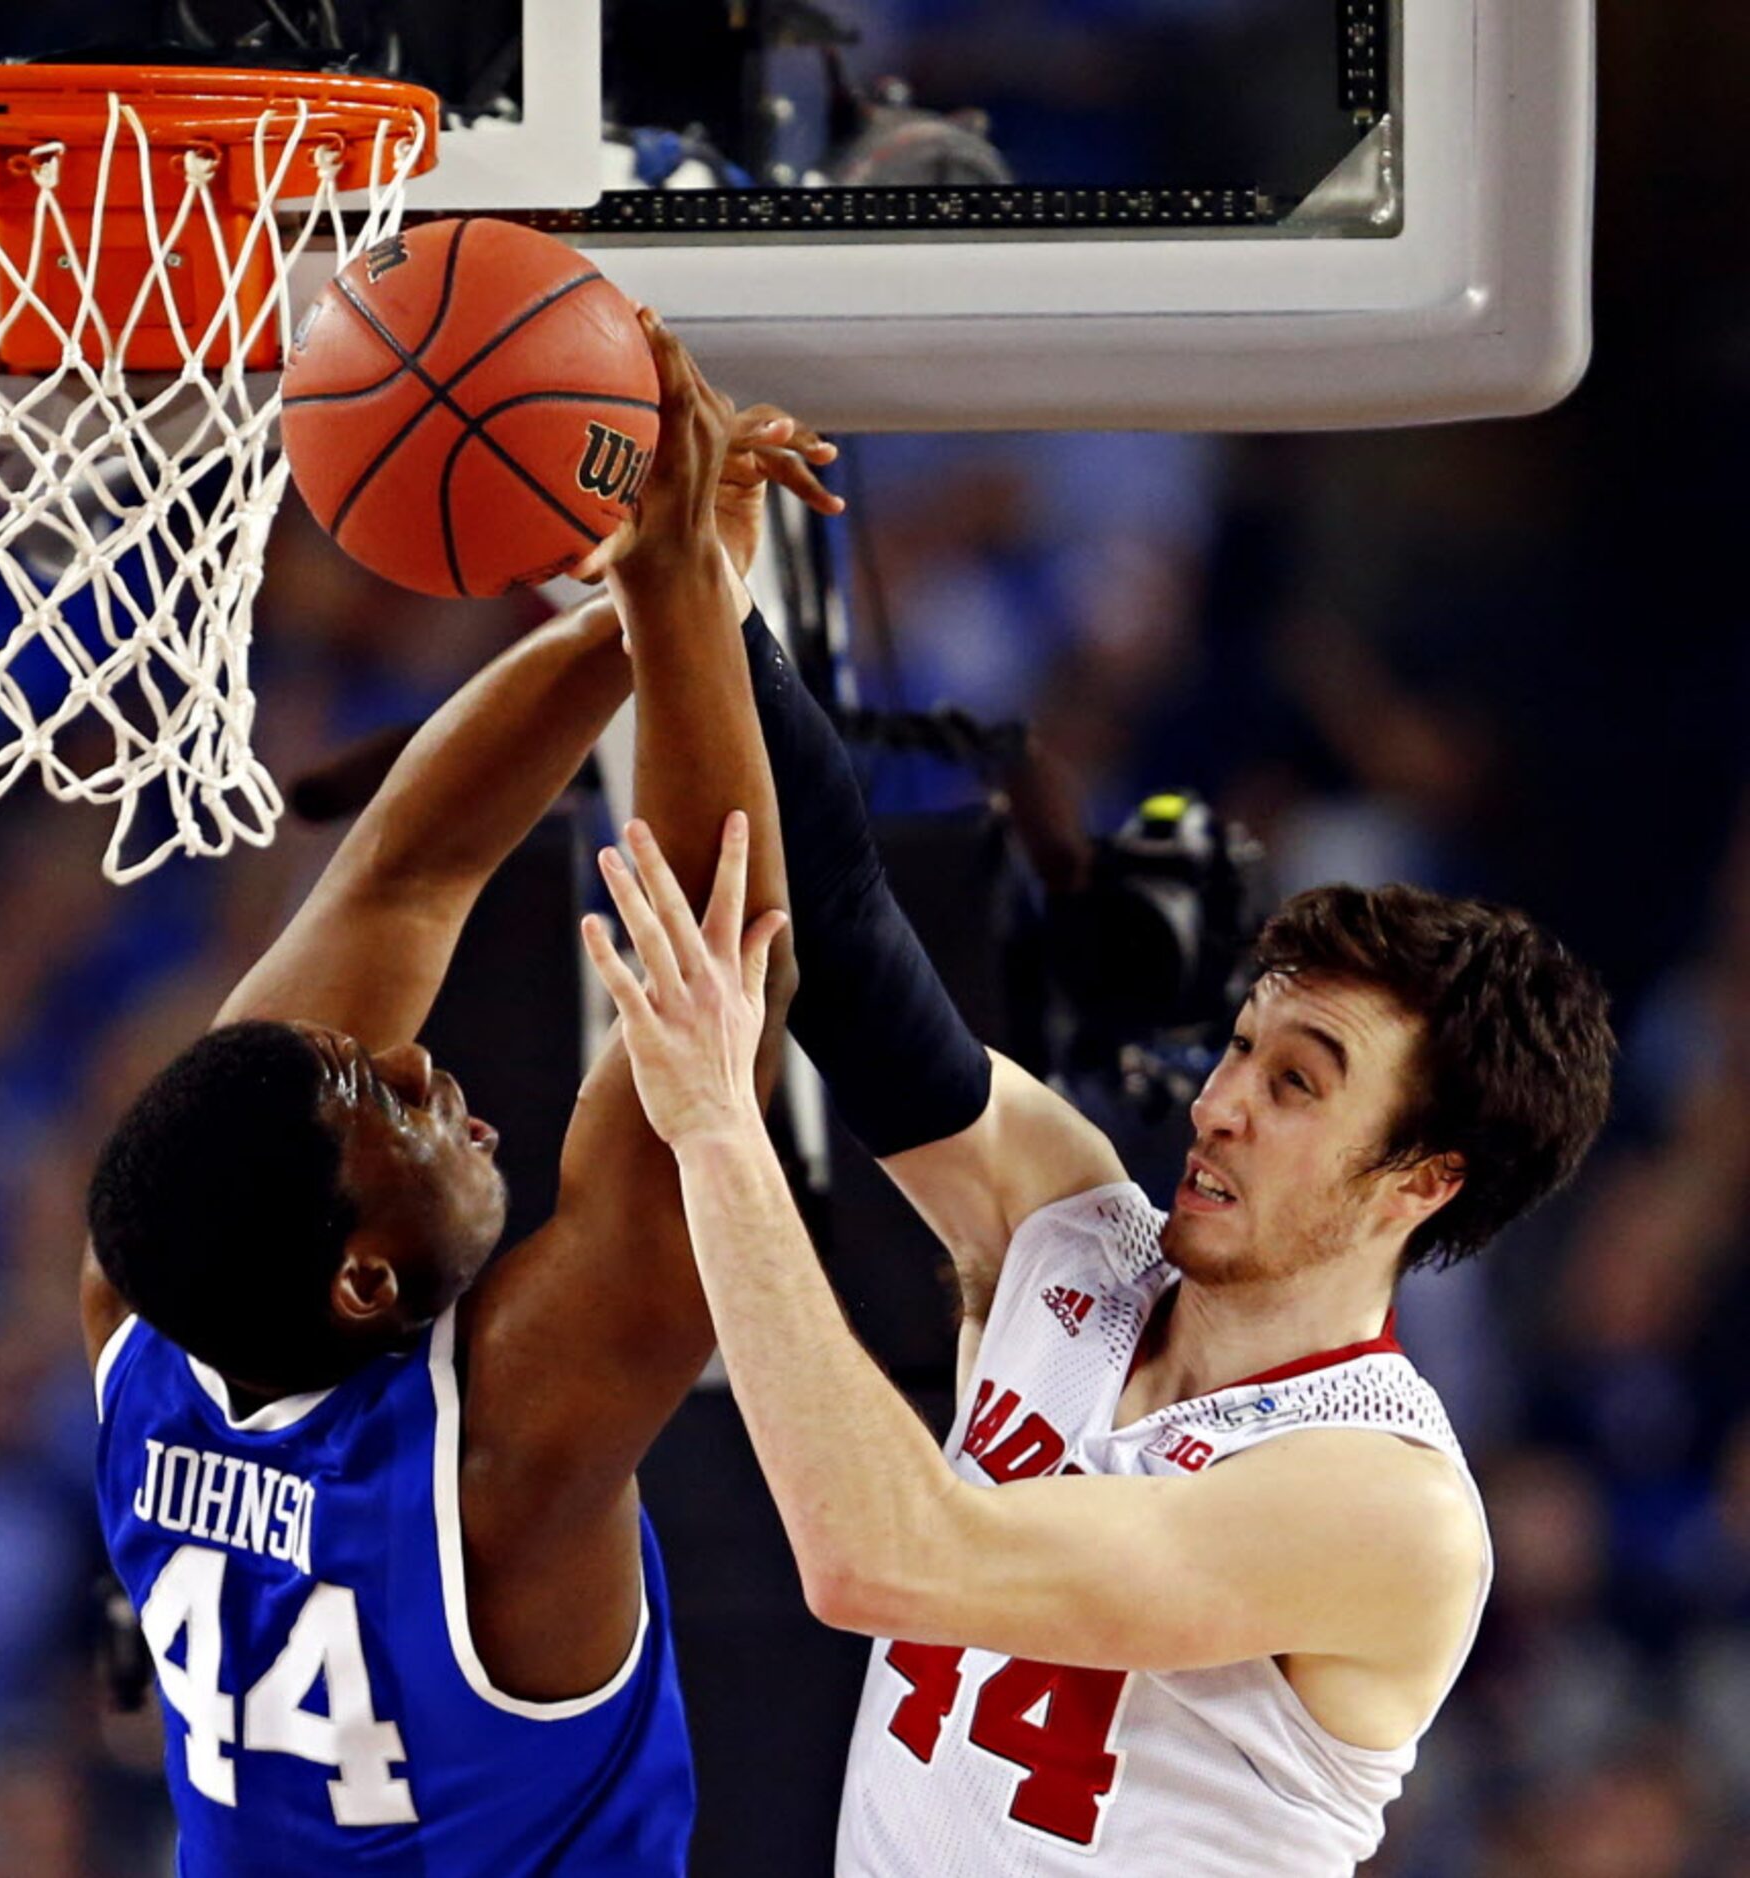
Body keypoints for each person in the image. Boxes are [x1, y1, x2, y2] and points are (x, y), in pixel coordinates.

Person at [78, 314, 834, 1876]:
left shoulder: (156, 1329)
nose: (426, 1064)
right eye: (390, 1106)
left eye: (379, 1074)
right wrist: (680, 586)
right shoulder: (487, 1456)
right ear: (358, 1273)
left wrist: (640, 610)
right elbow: (712, 979)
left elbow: (408, 874)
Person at [585, 766, 1615, 1869]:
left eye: (1296, 1087)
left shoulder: (1389, 1505)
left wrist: (718, 1128)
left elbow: (881, 1558)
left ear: (1421, 1182)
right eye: (1239, 1047)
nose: (1217, 1109)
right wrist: (700, 604)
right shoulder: (1074, 1226)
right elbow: (844, 926)